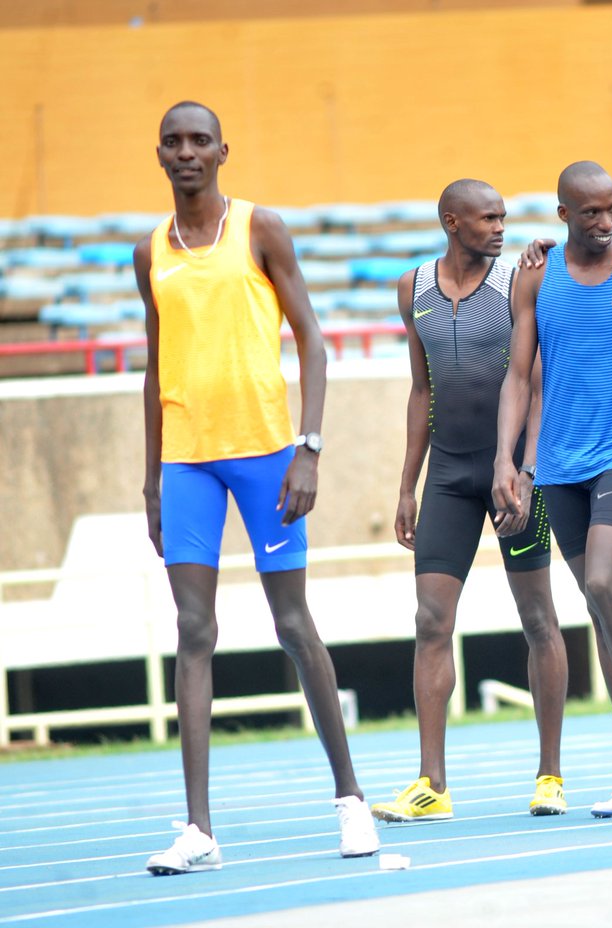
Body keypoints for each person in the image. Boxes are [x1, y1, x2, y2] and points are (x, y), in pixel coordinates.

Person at [136, 101, 378, 874]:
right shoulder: (149, 251)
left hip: (267, 455)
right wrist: (151, 480)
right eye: (173, 142)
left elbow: (312, 339)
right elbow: (155, 366)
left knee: (294, 625)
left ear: (222, 151)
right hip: (187, 463)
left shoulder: (259, 228)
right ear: (159, 154)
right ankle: (199, 830)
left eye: (199, 140)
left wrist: (309, 448)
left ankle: (351, 801)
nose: (186, 152)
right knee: (193, 630)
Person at [493, 161, 612, 818]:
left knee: (605, 585)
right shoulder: (535, 275)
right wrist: (505, 461)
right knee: (599, 610)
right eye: (590, 212)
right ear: (563, 216)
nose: (604, 222)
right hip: (558, 464)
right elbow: (518, 376)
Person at [369, 180, 569, 823]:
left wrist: (527, 470)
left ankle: (550, 775)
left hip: (514, 474)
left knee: (538, 618)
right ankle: (432, 784)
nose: (500, 227)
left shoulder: (518, 281)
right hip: (450, 474)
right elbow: (420, 390)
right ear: (452, 222)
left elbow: (535, 382)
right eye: (488, 218)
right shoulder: (413, 288)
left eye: (504, 217)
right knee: (431, 621)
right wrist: (407, 484)